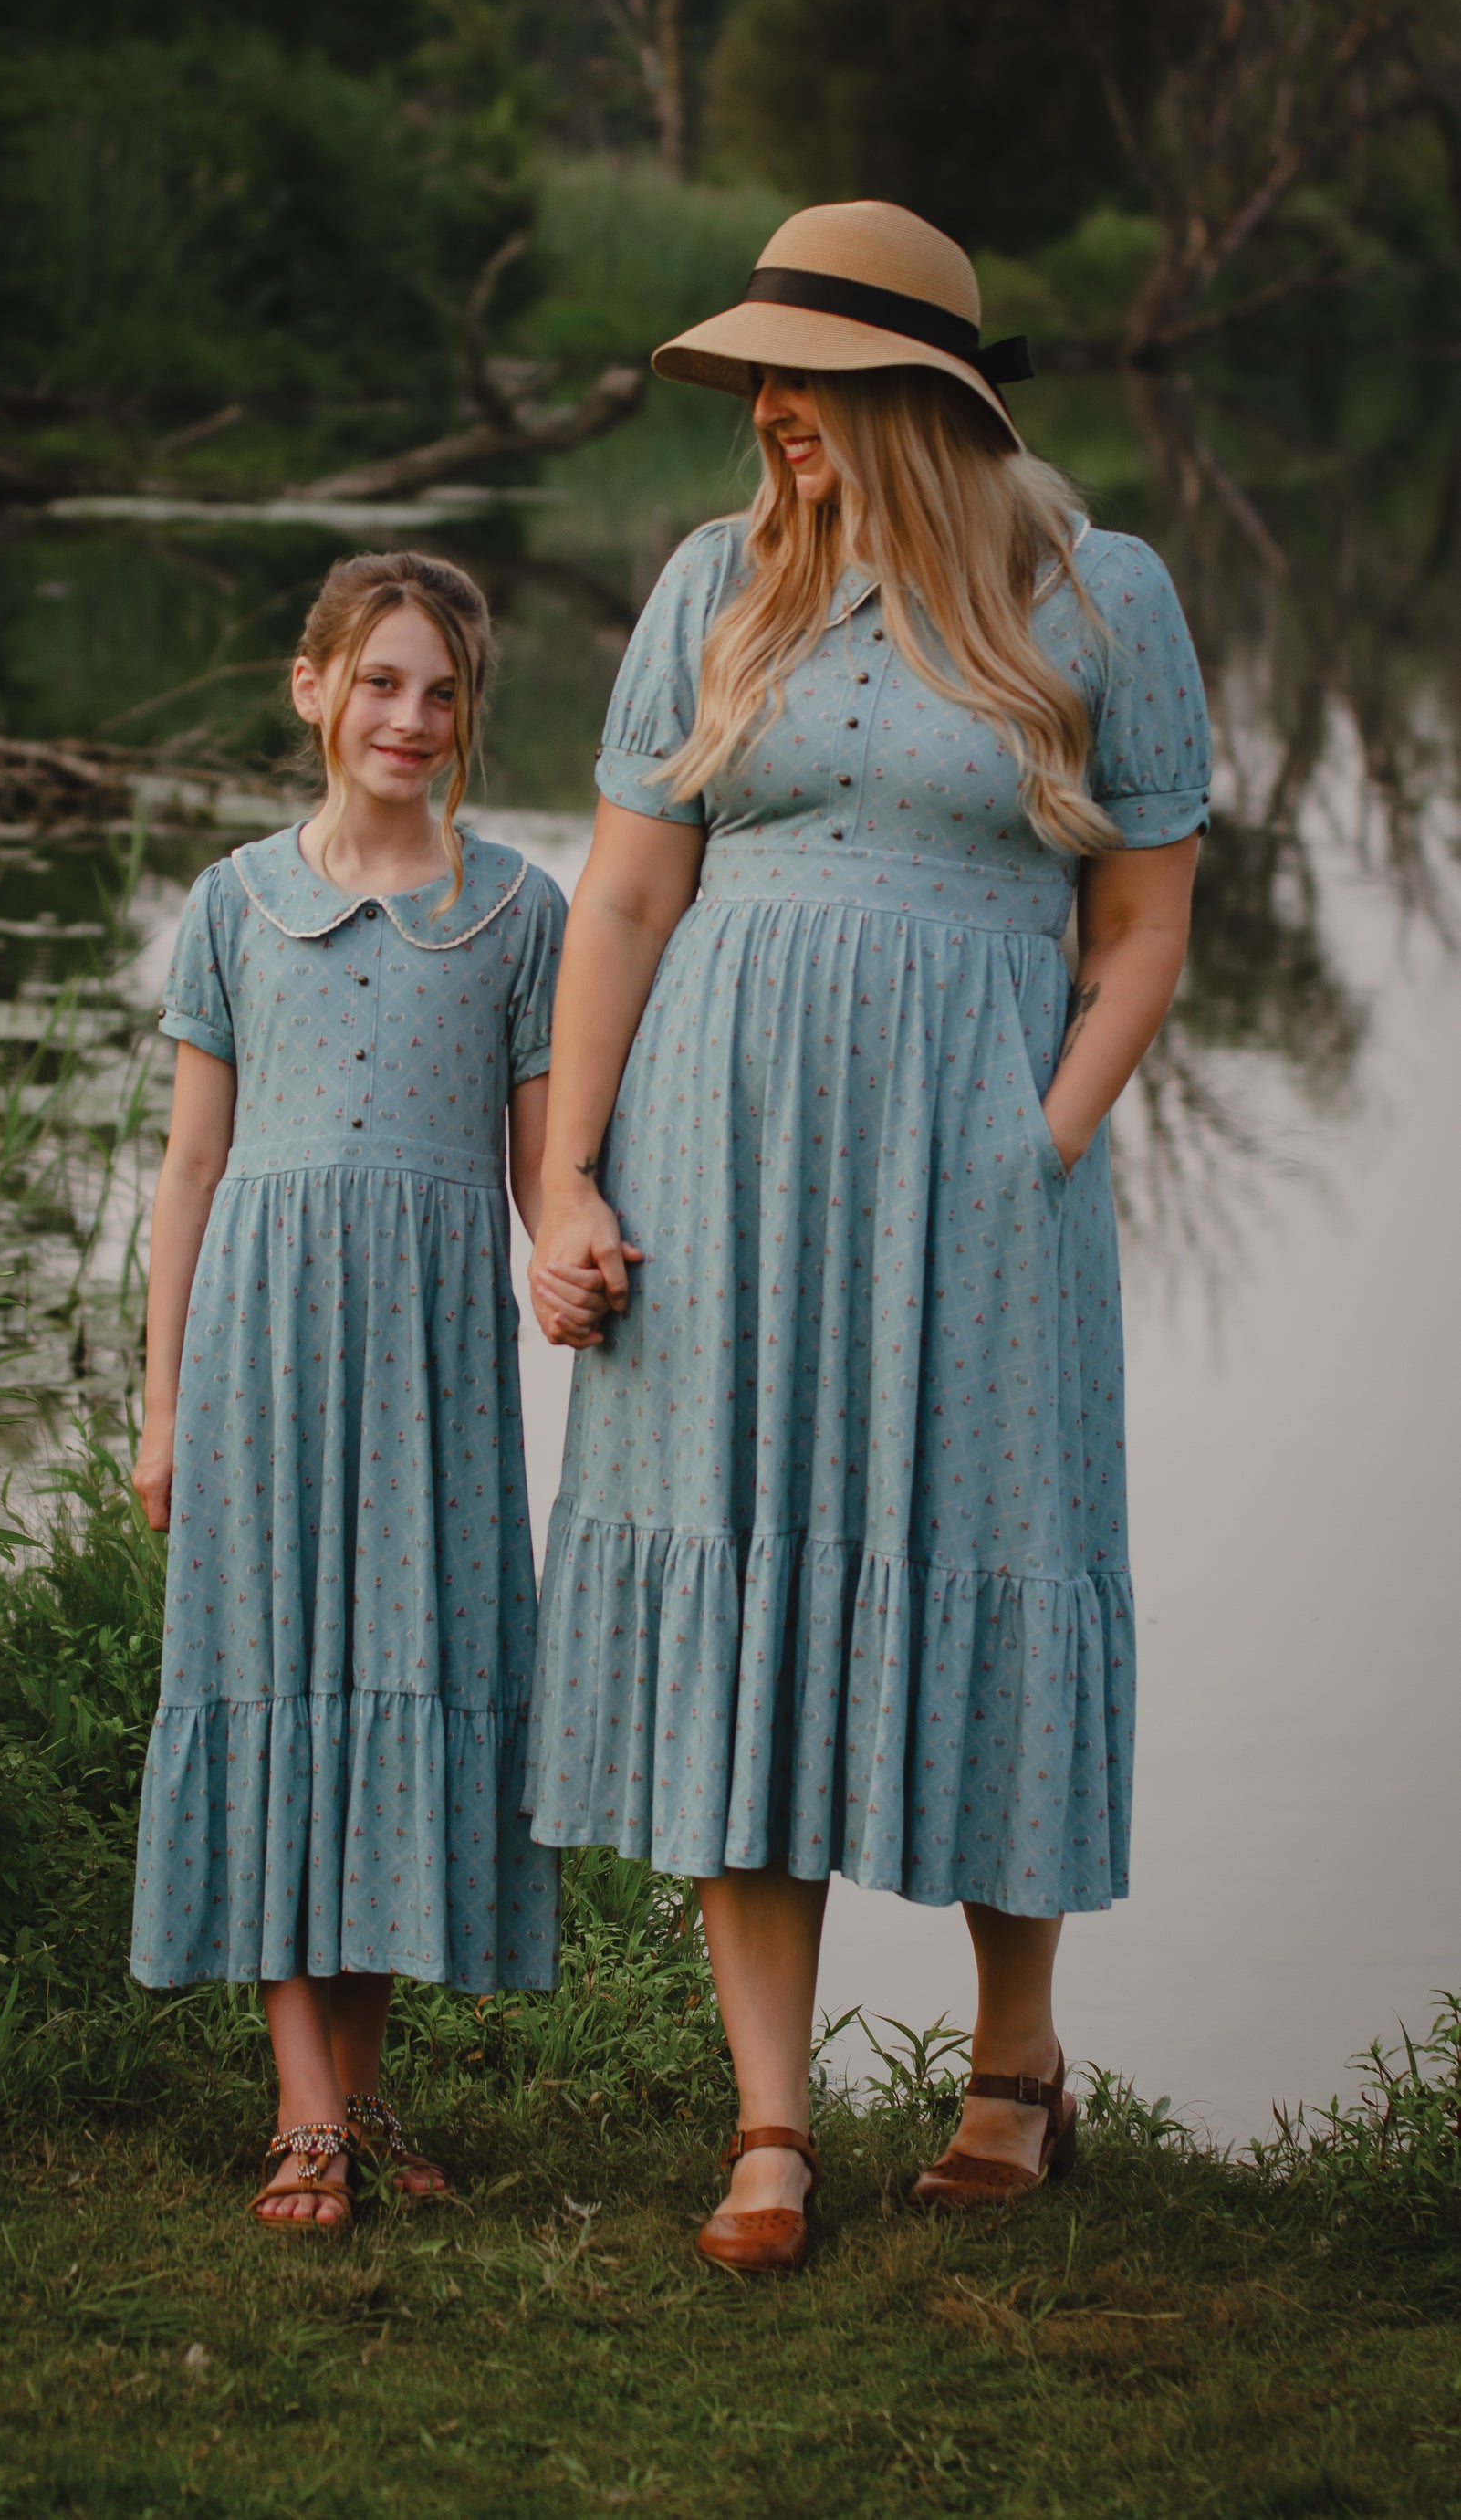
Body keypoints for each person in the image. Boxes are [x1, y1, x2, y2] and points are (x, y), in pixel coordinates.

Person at [526, 201, 1210, 2274]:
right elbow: (626, 899)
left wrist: (1042, 1140)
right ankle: (768, 2121)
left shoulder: (1099, 596)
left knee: (990, 1551)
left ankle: (1014, 2070)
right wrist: (569, 1168)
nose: (765, 415)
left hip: (978, 1169)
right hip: (719, 1159)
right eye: (754, 382)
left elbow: (1146, 925)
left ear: (912, 394)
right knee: (741, 1583)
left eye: (797, 383)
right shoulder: (714, 585)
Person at [129, 549, 565, 2232]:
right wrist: (163, 1405)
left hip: (434, 1366)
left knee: (399, 1681)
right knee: (268, 1674)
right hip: (264, 1345)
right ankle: (300, 2106)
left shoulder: (517, 910)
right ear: (311, 688)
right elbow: (188, 1168)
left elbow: (544, 1181)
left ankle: (359, 2089)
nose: (409, 715)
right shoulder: (235, 900)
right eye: (378, 680)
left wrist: (596, 1270)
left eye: (441, 690)